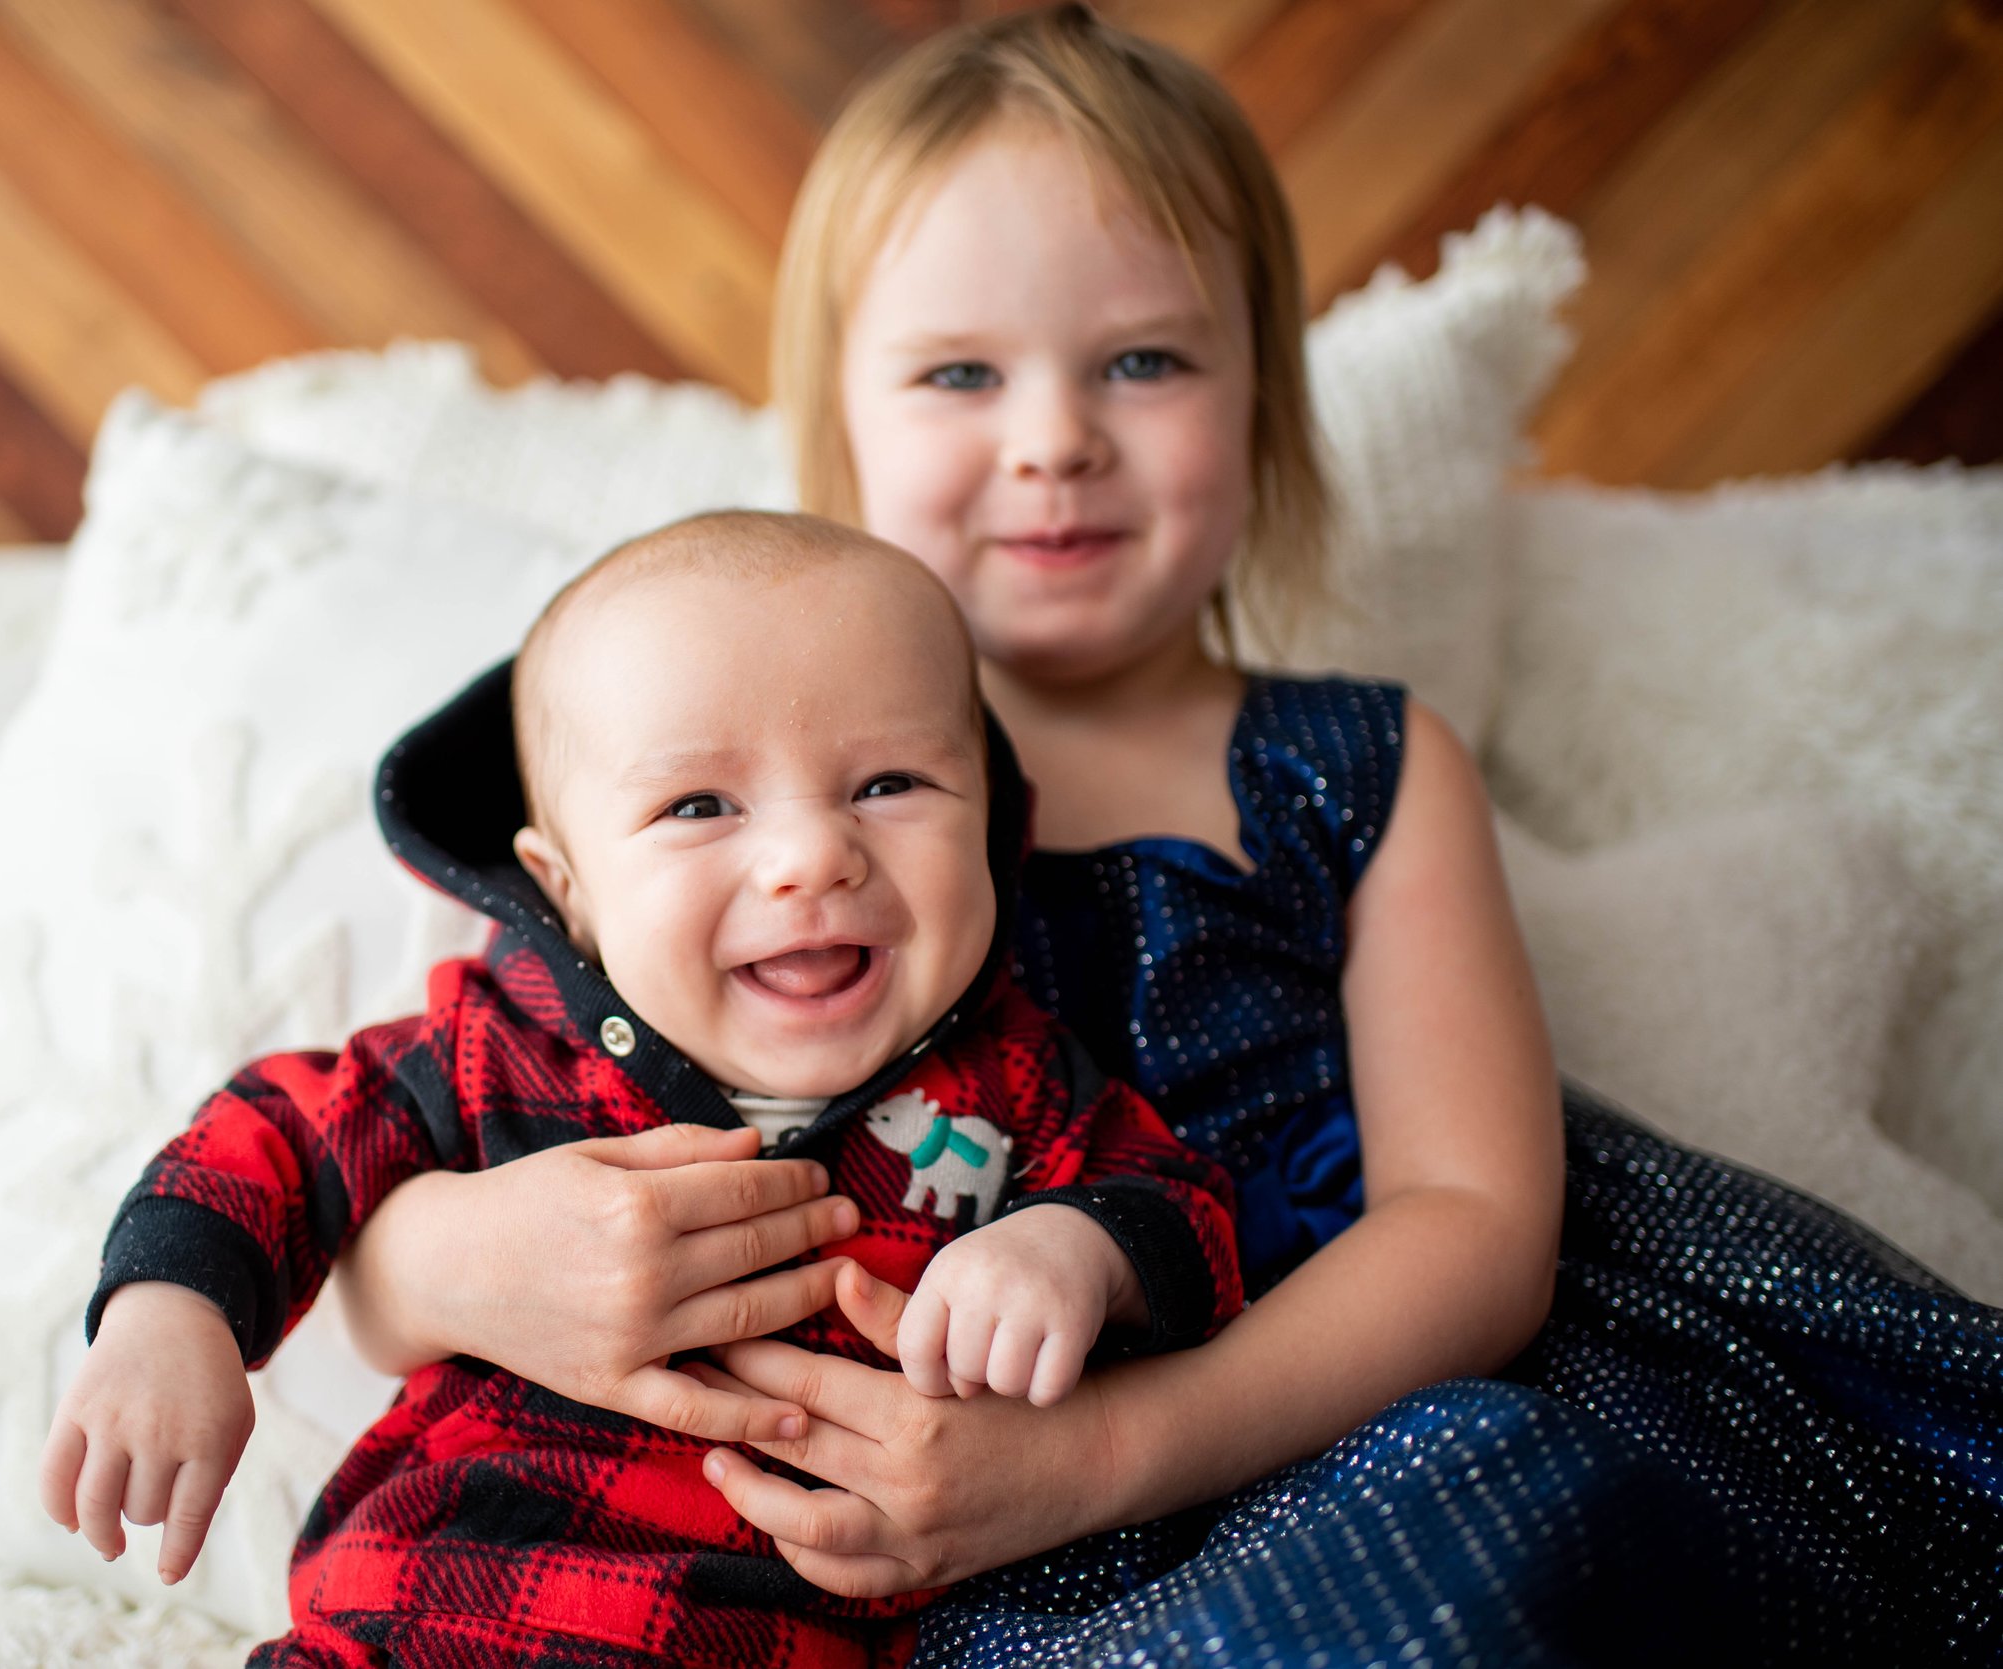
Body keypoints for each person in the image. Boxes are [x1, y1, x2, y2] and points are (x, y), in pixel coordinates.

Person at [330, 8, 2003, 1664]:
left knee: (1512, 1513)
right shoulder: (669, 753)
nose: (1055, 437)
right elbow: (411, 1133)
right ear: (841, 419)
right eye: (960, 373)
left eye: (1144, 361)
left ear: (1264, 399)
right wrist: (452, 1262)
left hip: (1332, 1417)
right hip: (900, 1538)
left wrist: (1096, 1459)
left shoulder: (1351, 764)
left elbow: (1478, 1227)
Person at [39, 510, 1246, 1668]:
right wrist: (170, 1312)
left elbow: (1184, 1205)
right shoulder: (500, 1046)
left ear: (987, 818)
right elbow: (278, 1132)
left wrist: (1076, 1249)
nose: (811, 855)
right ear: (568, 889)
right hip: (431, 1609)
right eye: (698, 806)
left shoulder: (1013, 1081)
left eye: (889, 784)